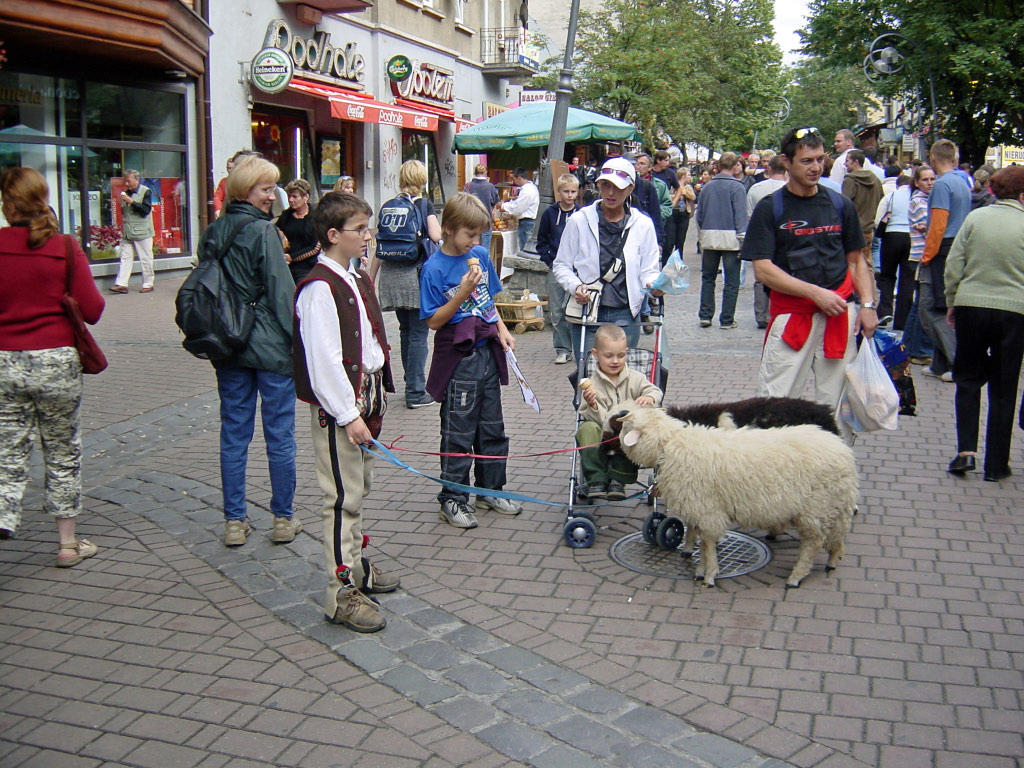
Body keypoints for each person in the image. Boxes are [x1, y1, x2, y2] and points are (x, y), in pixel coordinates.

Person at [293, 192, 400, 631]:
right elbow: (323, 361)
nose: (368, 236)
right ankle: (341, 593)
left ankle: (356, 570)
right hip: (343, 407)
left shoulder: (355, 277)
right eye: (360, 230)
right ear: (334, 235)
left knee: (358, 489)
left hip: (366, 398)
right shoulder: (320, 288)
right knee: (341, 498)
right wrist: (347, 413)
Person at [741, 126, 876, 436]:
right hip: (792, 319)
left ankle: (833, 471)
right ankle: (774, 472)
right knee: (774, 403)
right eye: (806, 161)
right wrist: (815, 294)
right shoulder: (770, 207)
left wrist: (867, 305)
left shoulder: (839, 204)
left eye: (819, 159)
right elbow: (763, 269)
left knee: (837, 405)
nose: (816, 167)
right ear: (787, 163)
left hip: (840, 315)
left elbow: (857, 260)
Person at [0, 167, 105, 563]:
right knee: (62, 450)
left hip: (6, 360)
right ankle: (66, 544)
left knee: (7, 449)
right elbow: (93, 310)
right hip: (57, 360)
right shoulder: (63, 246)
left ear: (7, 204)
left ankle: (4, 516)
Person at [204, 156, 300, 548]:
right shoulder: (264, 232)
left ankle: (234, 520)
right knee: (279, 435)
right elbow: (282, 293)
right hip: (270, 348)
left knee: (234, 434)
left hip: (227, 343)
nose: (272, 196)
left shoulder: (213, 232)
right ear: (245, 190)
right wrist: (301, 341)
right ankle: (282, 517)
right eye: (265, 189)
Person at [420, 193, 522, 529]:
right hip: (458, 357)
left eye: (479, 235)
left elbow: (488, 301)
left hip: (487, 351)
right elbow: (433, 321)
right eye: (469, 235)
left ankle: (491, 488)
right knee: (458, 431)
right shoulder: (434, 268)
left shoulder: (478, 255)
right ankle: (453, 497)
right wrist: (461, 293)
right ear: (448, 230)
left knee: (492, 426)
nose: (475, 243)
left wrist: (502, 328)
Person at [944, 166, 1024, 482]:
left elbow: (954, 264)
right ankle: (996, 464)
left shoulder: (975, 219)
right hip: (1015, 312)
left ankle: (966, 453)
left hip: (971, 306)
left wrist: (953, 300)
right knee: (1005, 388)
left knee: (967, 379)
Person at [552, 157, 663, 359]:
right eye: (605, 185)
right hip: (588, 311)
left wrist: (653, 285)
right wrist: (575, 286)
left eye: (618, 187)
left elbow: (649, 268)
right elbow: (561, 265)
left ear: (630, 188)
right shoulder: (579, 220)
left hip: (626, 314)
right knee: (588, 379)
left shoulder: (643, 224)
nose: (611, 193)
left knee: (622, 380)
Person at [370, 160, 439, 409]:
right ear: (422, 179)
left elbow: (380, 246)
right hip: (414, 275)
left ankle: (410, 384)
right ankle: (416, 391)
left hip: (391, 275)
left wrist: (370, 278)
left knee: (405, 331)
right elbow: (435, 235)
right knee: (419, 335)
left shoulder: (390, 206)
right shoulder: (423, 204)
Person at [576, 324, 662, 500]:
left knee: (633, 433)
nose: (615, 361)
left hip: (627, 433)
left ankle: (618, 479)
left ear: (626, 353)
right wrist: (593, 405)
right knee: (586, 429)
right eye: (608, 356)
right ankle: (596, 480)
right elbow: (594, 418)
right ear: (595, 355)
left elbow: (655, 391)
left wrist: (650, 398)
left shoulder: (636, 378)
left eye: (620, 355)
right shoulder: (593, 384)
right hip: (603, 432)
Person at [919, 139, 971, 383]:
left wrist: (926, 257)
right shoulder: (962, 182)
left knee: (931, 308)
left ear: (933, 158)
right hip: (957, 247)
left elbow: (938, 226)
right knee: (942, 305)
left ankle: (957, 362)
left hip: (941, 250)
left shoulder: (941, 186)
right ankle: (940, 364)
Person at [695, 151, 747, 329]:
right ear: (735, 166)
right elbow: (741, 216)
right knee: (731, 281)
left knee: (708, 278)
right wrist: (743, 239)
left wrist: (702, 232)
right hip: (731, 238)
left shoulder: (707, 187)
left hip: (709, 236)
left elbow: (699, 214)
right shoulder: (737, 187)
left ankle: (705, 315)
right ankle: (726, 319)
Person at [536, 173, 580, 365]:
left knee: (576, 308)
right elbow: (542, 240)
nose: (570, 195)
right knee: (557, 310)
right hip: (556, 265)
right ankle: (562, 348)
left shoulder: (582, 214)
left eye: (573, 191)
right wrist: (549, 259)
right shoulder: (550, 213)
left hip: (577, 268)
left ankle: (578, 347)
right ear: (559, 192)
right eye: (566, 191)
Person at [746, 155, 788, 329]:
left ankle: (761, 314)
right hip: (784, 238)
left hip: (761, 238)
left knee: (761, 277)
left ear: (768, 169)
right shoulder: (789, 189)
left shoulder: (756, 189)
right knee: (784, 274)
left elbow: (749, 217)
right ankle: (779, 311)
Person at [903, 164, 937, 365]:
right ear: (916, 182)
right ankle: (920, 349)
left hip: (920, 255)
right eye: (925, 179)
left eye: (932, 179)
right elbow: (929, 228)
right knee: (923, 304)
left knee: (918, 304)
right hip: (920, 256)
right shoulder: (919, 201)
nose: (930, 183)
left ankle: (909, 346)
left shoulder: (926, 200)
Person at [875, 172, 914, 329]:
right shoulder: (916, 198)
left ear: (898, 184)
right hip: (910, 236)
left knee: (887, 275)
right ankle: (902, 320)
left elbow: (878, 220)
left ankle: (885, 310)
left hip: (892, 236)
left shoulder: (890, 197)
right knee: (907, 278)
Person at [110, 169, 155, 294]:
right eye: (125, 181)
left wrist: (132, 202)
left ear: (137, 180)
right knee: (125, 257)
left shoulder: (145, 191)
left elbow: (146, 210)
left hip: (143, 232)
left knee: (145, 258)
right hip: (128, 232)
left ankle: (148, 283)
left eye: (129, 181)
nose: (127, 184)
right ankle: (121, 284)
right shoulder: (127, 193)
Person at [841, 149, 884, 271]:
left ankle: (862, 290)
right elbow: (882, 201)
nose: (845, 164)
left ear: (855, 162)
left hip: (853, 230)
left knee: (853, 266)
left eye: (847, 161)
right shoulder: (875, 179)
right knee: (867, 263)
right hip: (869, 228)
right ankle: (870, 289)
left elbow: (845, 205)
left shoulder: (850, 180)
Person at [276, 179, 320, 284]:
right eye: (289, 196)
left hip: (306, 268)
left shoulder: (315, 217)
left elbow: (315, 247)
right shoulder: (285, 216)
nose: (291, 200)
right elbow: (275, 232)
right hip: (286, 267)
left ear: (306, 197)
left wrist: (292, 257)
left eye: (295, 197)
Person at [500, 168, 539, 253]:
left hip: (527, 222)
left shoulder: (527, 190)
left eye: (514, 179)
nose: (514, 181)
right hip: (529, 221)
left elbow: (518, 208)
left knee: (525, 248)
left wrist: (503, 206)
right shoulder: (532, 187)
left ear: (519, 178)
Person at [463, 163, 499, 253]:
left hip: (471, 220)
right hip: (486, 220)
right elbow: (495, 200)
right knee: (485, 249)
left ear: (475, 173)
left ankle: (471, 264)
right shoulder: (490, 186)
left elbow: (462, 202)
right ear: (485, 173)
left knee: (470, 247)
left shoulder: (468, 186)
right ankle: (482, 265)